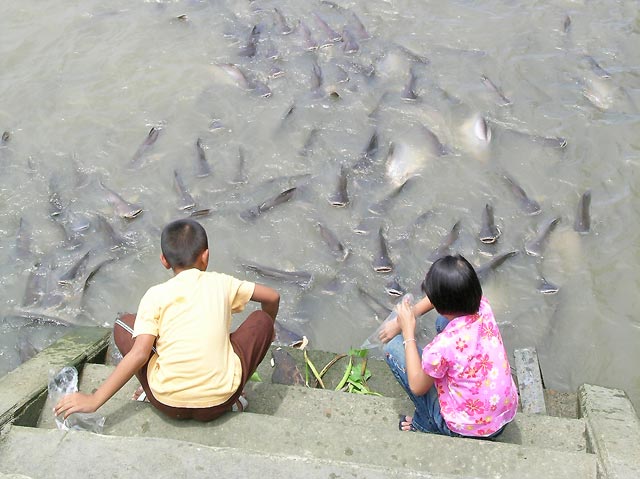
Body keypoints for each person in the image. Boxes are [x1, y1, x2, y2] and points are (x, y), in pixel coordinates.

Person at [55, 218, 280, 421]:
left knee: (124, 324)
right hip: (220, 402)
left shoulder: (155, 295)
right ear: (206, 255)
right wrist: (265, 331)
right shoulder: (223, 283)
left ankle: (146, 392)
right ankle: (237, 397)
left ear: (164, 260)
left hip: (167, 403)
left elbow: (140, 353)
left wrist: (94, 400)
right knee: (261, 320)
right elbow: (272, 297)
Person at [378, 254, 518, 437]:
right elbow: (446, 296)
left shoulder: (441, 347)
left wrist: (407, 331)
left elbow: (418, 386)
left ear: (439, 303)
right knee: (443, 322)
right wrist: (406, 317)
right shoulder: (483, 307)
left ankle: (426, 423)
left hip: (467, 430)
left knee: (393, 348)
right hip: (501, 418)